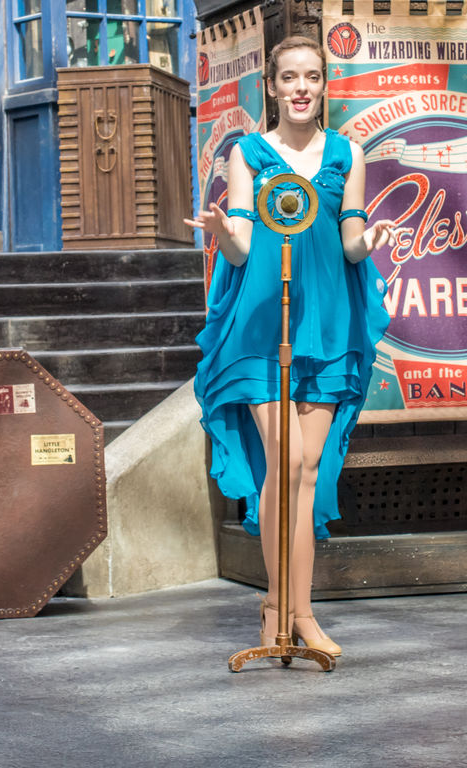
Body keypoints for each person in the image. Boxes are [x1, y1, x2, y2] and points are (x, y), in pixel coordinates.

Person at [185, 35, 396, 657]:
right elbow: (242, 247)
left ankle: (287, 610)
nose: (301, 87)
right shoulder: (247, 153)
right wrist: (222, 232)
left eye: (312, 77)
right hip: (261, 327)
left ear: (324, 86)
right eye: (290, 78)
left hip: (328, 327)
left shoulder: (348, 153)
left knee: (305, 471)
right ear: (272, 88)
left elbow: (351, 240)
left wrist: (370, 241)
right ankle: (292, 612)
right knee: (287, 461)